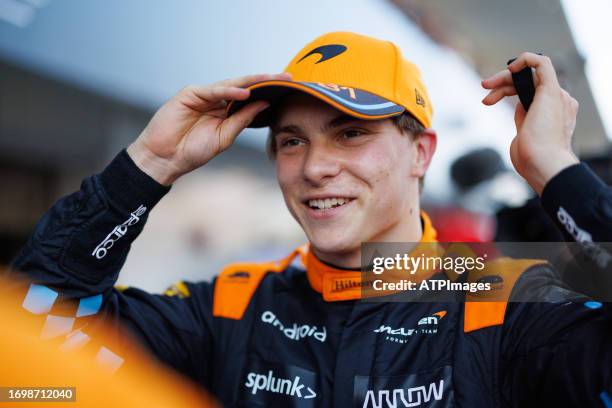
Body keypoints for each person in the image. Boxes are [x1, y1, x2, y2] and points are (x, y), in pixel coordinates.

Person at [8, 32, 611, 407]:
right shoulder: (229, 310)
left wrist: (556, 168)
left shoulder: (502, 304)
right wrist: (148, 165)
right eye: (293, 140)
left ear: (421, 153)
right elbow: (29, 371)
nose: (315, 167)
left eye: (350, 134)